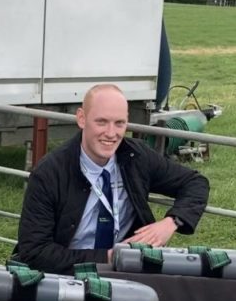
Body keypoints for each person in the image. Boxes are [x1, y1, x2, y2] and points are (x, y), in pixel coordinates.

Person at [12, 83, 210, 275]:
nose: (111, 133)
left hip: (127, 271)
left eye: (119, 123)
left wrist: (170, 223)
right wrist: (108, 257)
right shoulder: (49, 173)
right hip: (67, 274)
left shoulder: (136, 156)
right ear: (81, 118)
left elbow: (195, 182)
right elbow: (35, 251)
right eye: (101, 122)